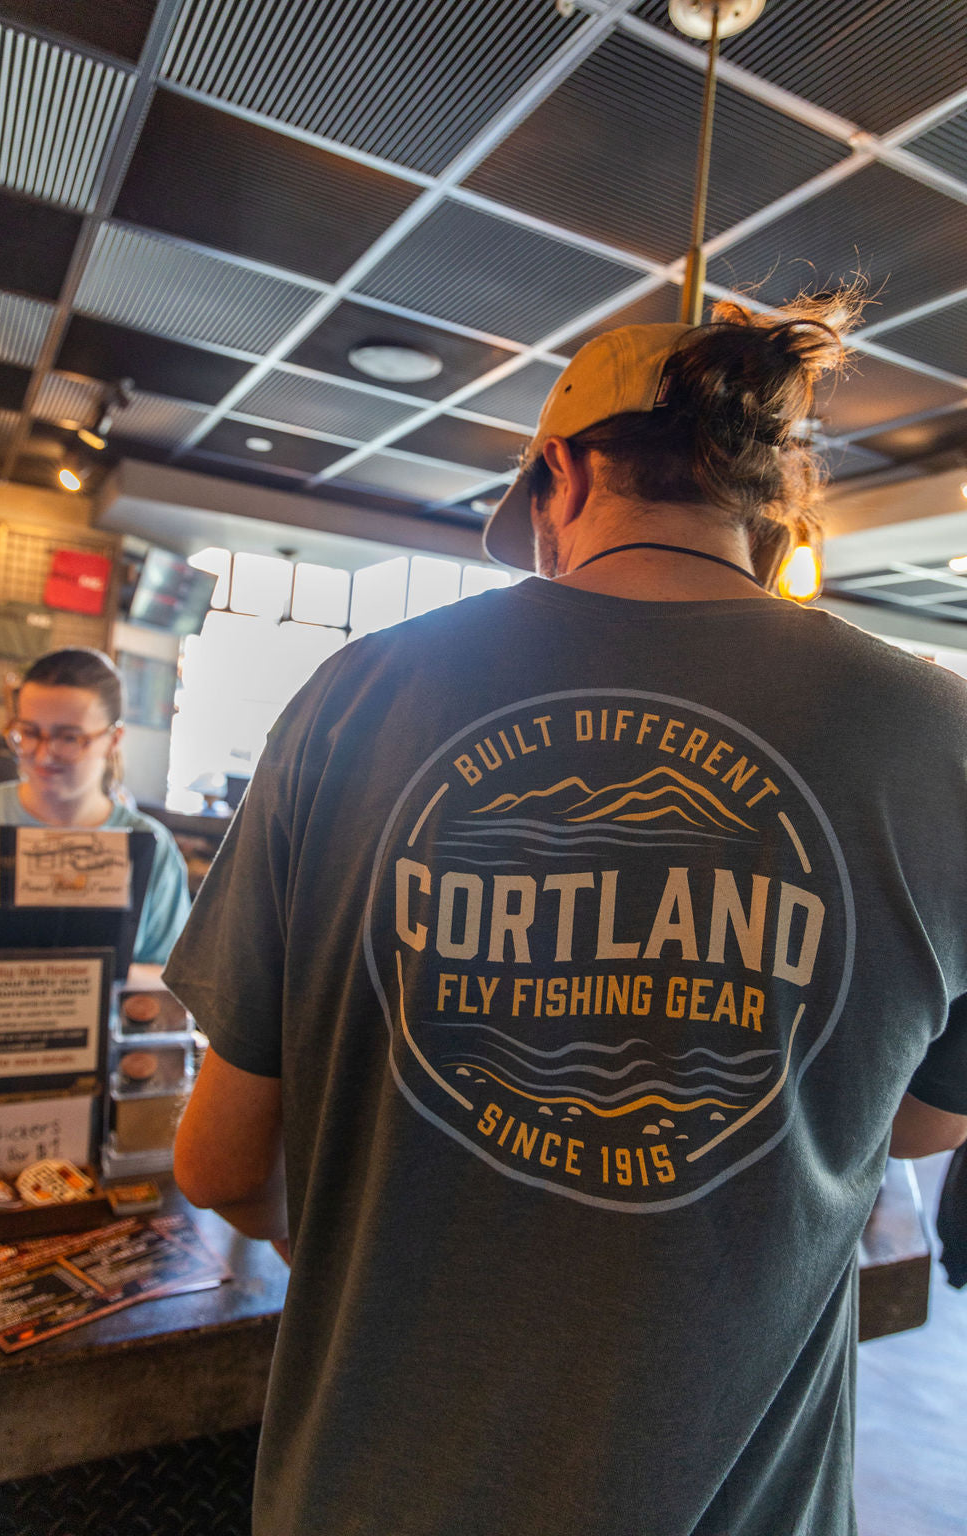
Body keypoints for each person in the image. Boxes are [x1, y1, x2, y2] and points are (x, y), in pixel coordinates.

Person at [168, 295, 967, 1536]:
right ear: (763, 505)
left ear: (559, 471)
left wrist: (375, 1246)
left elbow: (219, 1159)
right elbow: (916, 1126)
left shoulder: (355, 697)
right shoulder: (938, 736)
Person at [0, 647, 190, 966]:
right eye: (29, 733)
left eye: (69, 738)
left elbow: (171, 981)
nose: (44, 755)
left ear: (114, 739)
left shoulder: (152, 848)